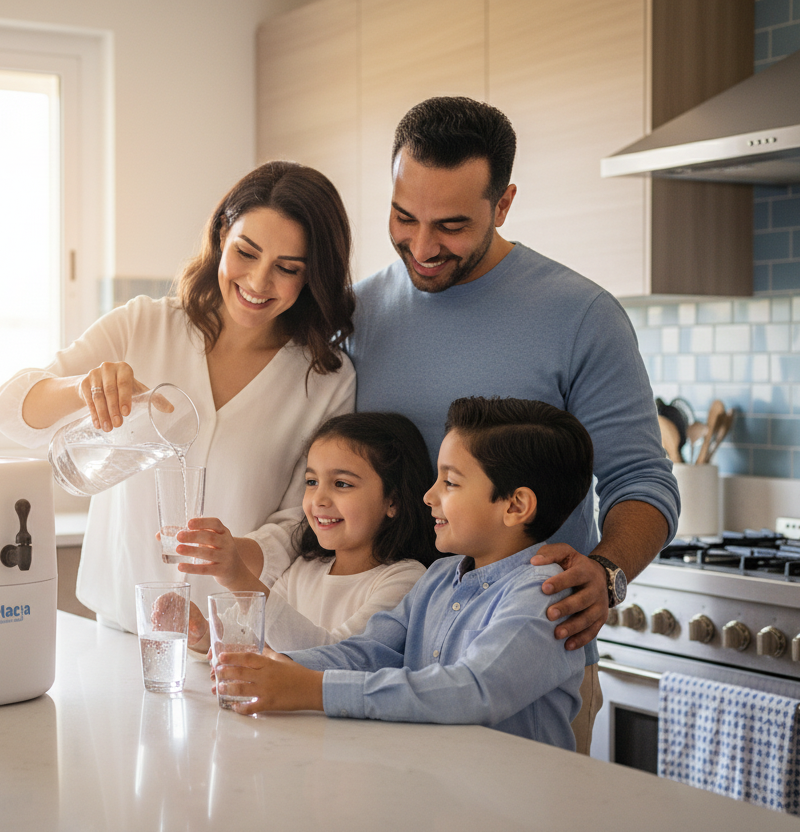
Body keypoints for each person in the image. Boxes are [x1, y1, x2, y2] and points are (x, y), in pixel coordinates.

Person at [243, 96, 680, 753]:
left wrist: (608, 570)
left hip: (515, 677)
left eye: (450, 225)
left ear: (502, 205)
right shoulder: (358, 313)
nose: (422, 247)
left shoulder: (580, 315)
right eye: (403, 217)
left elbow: (645, 480)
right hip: (387, 657)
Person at [0, 161, 357, 633]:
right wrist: (80, 388)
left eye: (287, 268)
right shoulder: (143, 325)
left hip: (229, 641)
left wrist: (238, 553)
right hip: (119, 630)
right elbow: (8, 411)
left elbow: (302, 520)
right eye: (246, 252)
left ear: (312, 277)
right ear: (223, 232)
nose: (259, 282)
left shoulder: (325, 378)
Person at [215, 397, 594, 752]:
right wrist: (284, 667)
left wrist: (315, 689)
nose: (429, 496)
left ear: (515, 506)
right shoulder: (441, 577)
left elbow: (472, 690)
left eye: (450, 482)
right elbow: (370, 651)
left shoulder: (545, 595)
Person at [180, 412, 438, 652]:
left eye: (342, 484)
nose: (319, 499)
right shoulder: (304, 568)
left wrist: (237, 577)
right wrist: (201, 631)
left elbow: (334, 655)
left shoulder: (406, 579)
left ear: (393, 501)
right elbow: (245, 634)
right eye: (312, 482)